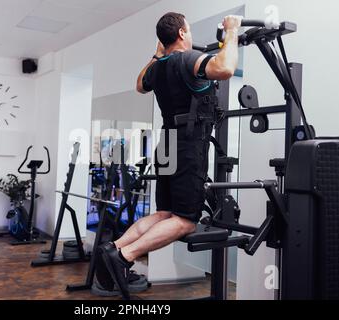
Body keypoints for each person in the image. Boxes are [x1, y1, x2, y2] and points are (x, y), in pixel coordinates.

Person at [97, 12, 242, 299]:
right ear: (182, 35)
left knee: (164, 213)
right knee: (186, 220)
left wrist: (156, 53)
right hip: (188, 144)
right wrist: (232, 31)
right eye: (188, 30)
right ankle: (125, 256)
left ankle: (113, 247)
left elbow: (139, 85)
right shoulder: (186, 59)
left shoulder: (157, 66)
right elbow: (225, 68)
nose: (190, 35)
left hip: (167, 141)